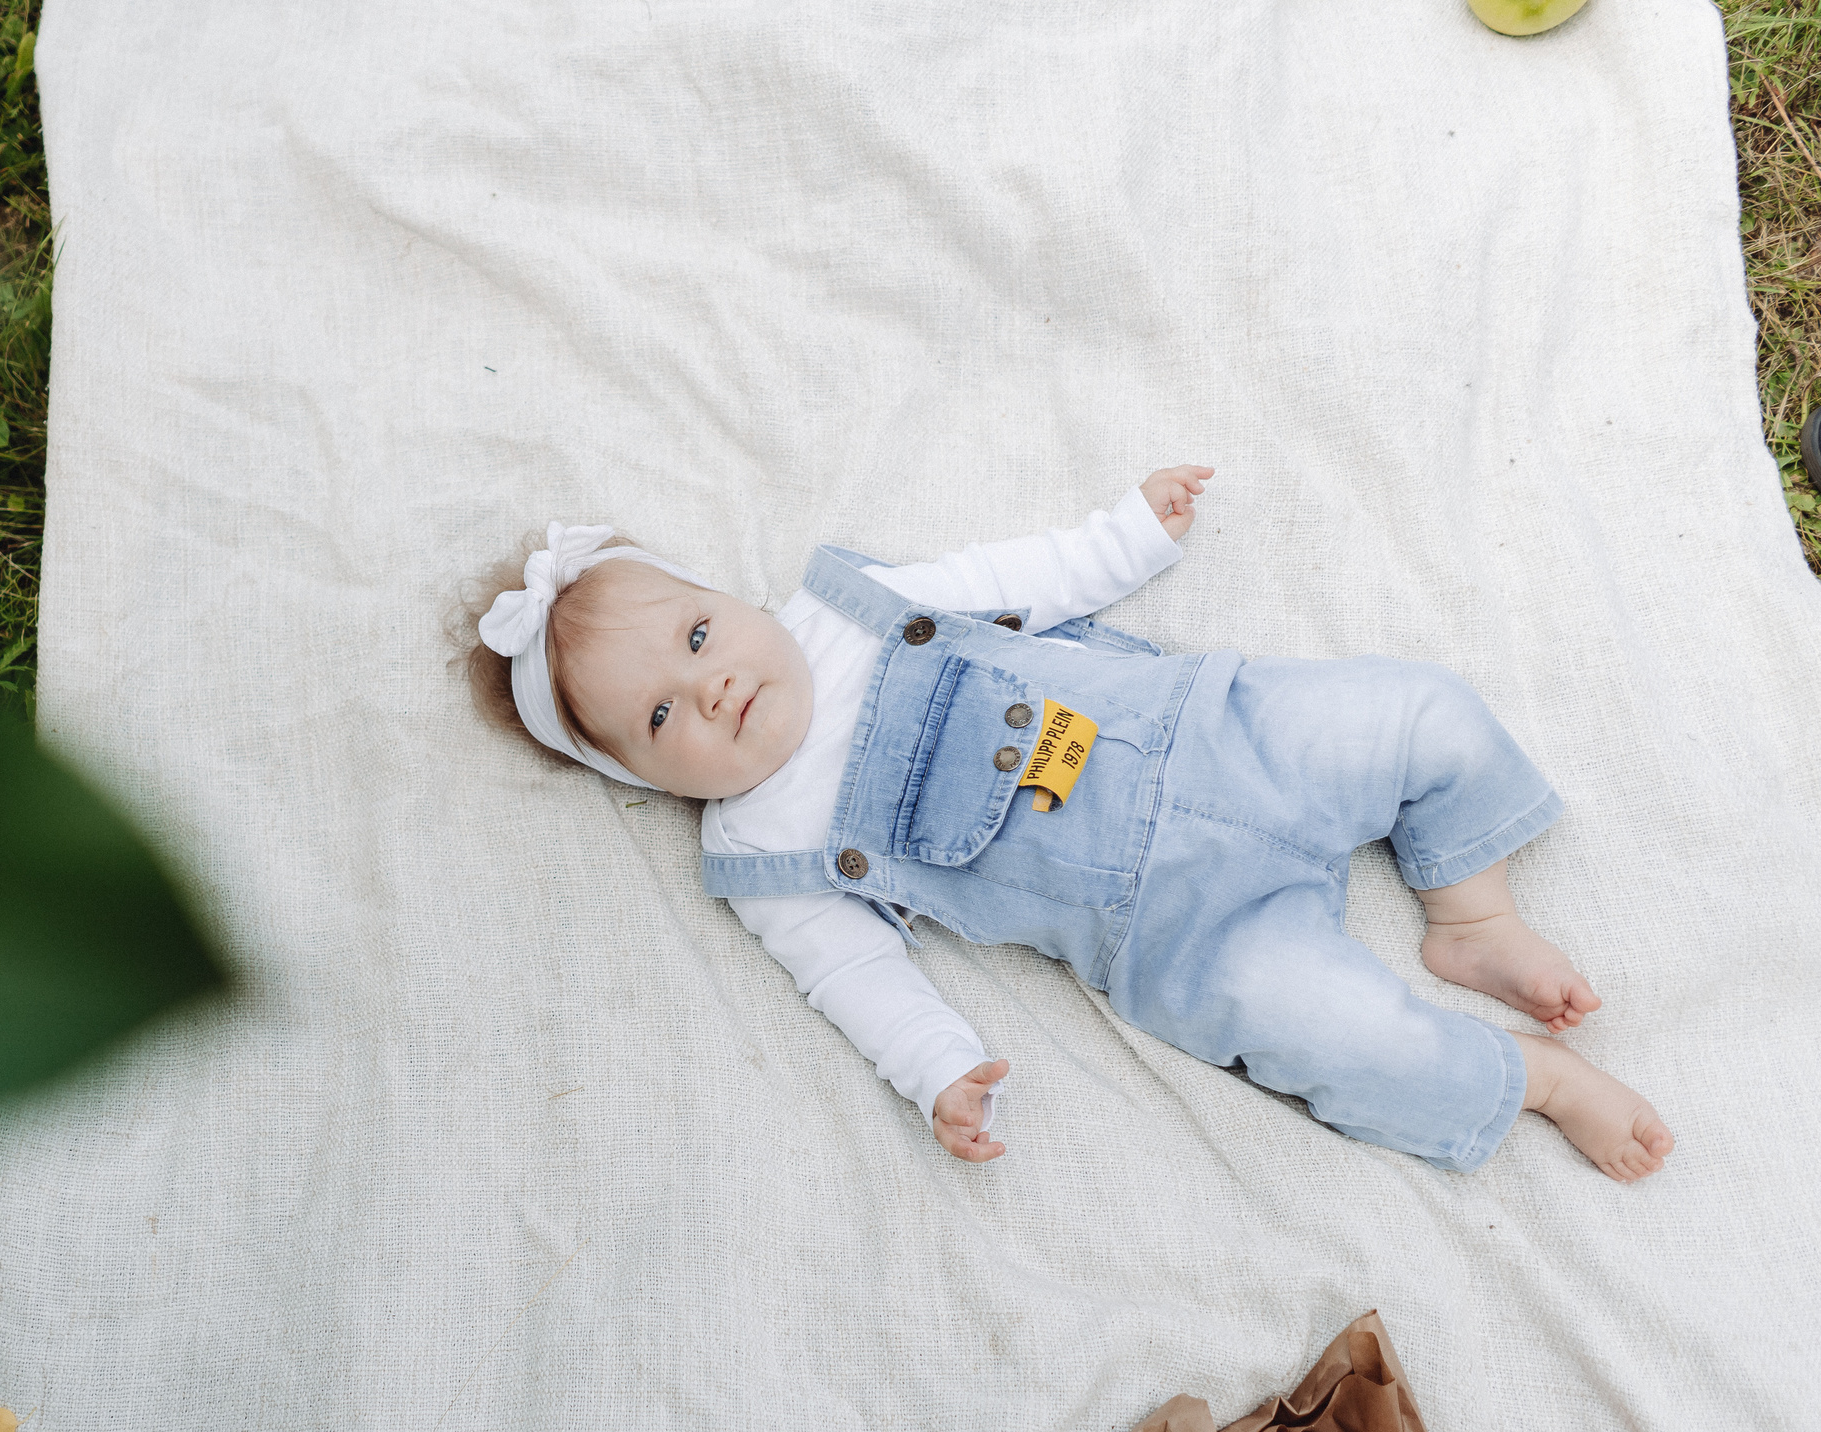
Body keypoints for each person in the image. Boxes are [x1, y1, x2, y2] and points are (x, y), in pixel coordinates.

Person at [454, 470, 1675, 1181]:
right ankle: (1531, 1083)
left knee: (1420, 712)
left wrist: (1125, 534)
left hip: (1219, 730)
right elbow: (850, 975)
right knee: (1341, 1039)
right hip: (1178, 934)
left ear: (727, 598)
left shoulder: (849, 609)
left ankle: (1472, 912)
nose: (707, 685)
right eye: (660, 715)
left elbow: (1015, 579)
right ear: (640, 783)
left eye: (698, 635)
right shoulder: (760, 851)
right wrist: (934, 1069)